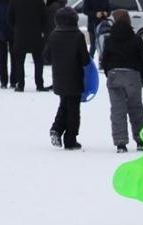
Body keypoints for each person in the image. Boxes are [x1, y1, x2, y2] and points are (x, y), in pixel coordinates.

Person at [101, 9, 143, 153]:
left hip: (114, 75)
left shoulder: (109, 39)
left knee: (117, 110)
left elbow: (105, 59)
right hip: (133, 76)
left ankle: (120, 143)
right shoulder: (136, 38)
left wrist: (109, 73)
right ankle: (141, 141)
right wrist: (142, 77)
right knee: (136, 109)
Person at [43, 6, 89, 150]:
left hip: (59, 78)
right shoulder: (78, 36)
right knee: (73, 110)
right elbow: (85, 60)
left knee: (64, 105)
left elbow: (46, 57)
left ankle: (56, 129)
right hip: (75, 78)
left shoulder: (53, 35)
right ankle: (70, 139)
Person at [8, 0, 48, 91]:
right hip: (36, 35)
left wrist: (16, 28)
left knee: (19, 62)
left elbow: (9, 18)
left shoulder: (14, 2)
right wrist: (40, 29)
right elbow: (45, 18)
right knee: (38, 61)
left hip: (20, 35)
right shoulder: (39, 2)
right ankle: (39, 85)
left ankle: (21, 85)